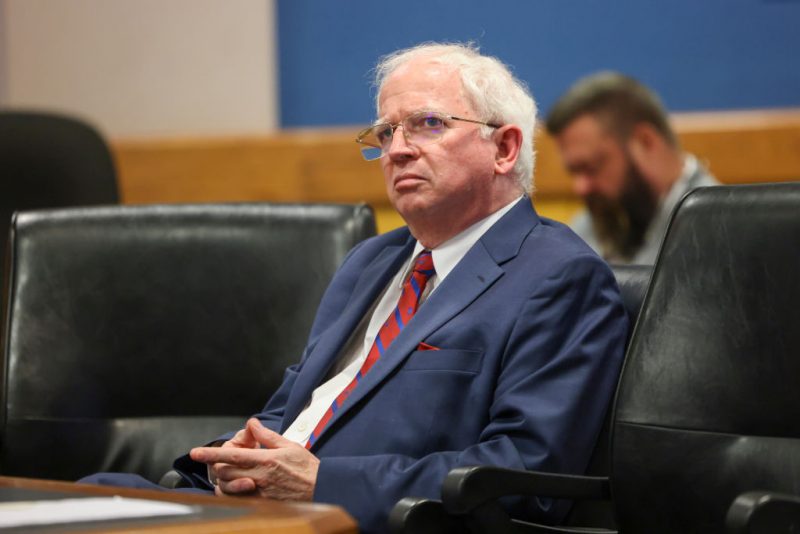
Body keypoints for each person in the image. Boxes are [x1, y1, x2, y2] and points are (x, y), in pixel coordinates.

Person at [81, 43, 627, 533]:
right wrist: (235, 459)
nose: (397, 150)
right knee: (90, 497)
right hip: (262, 511)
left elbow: (522, 474)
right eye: (386, 133)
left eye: (427, 124)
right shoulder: (372, 260)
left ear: (504, 148)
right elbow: (291, 412)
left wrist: (320, 484)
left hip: (364, 520)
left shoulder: (560, 276)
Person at [546, 72, 719, 264]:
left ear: (645, 142)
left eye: (592, 168)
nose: (581, 187)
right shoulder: (587, 229)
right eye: (574, 172)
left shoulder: (720, 229)